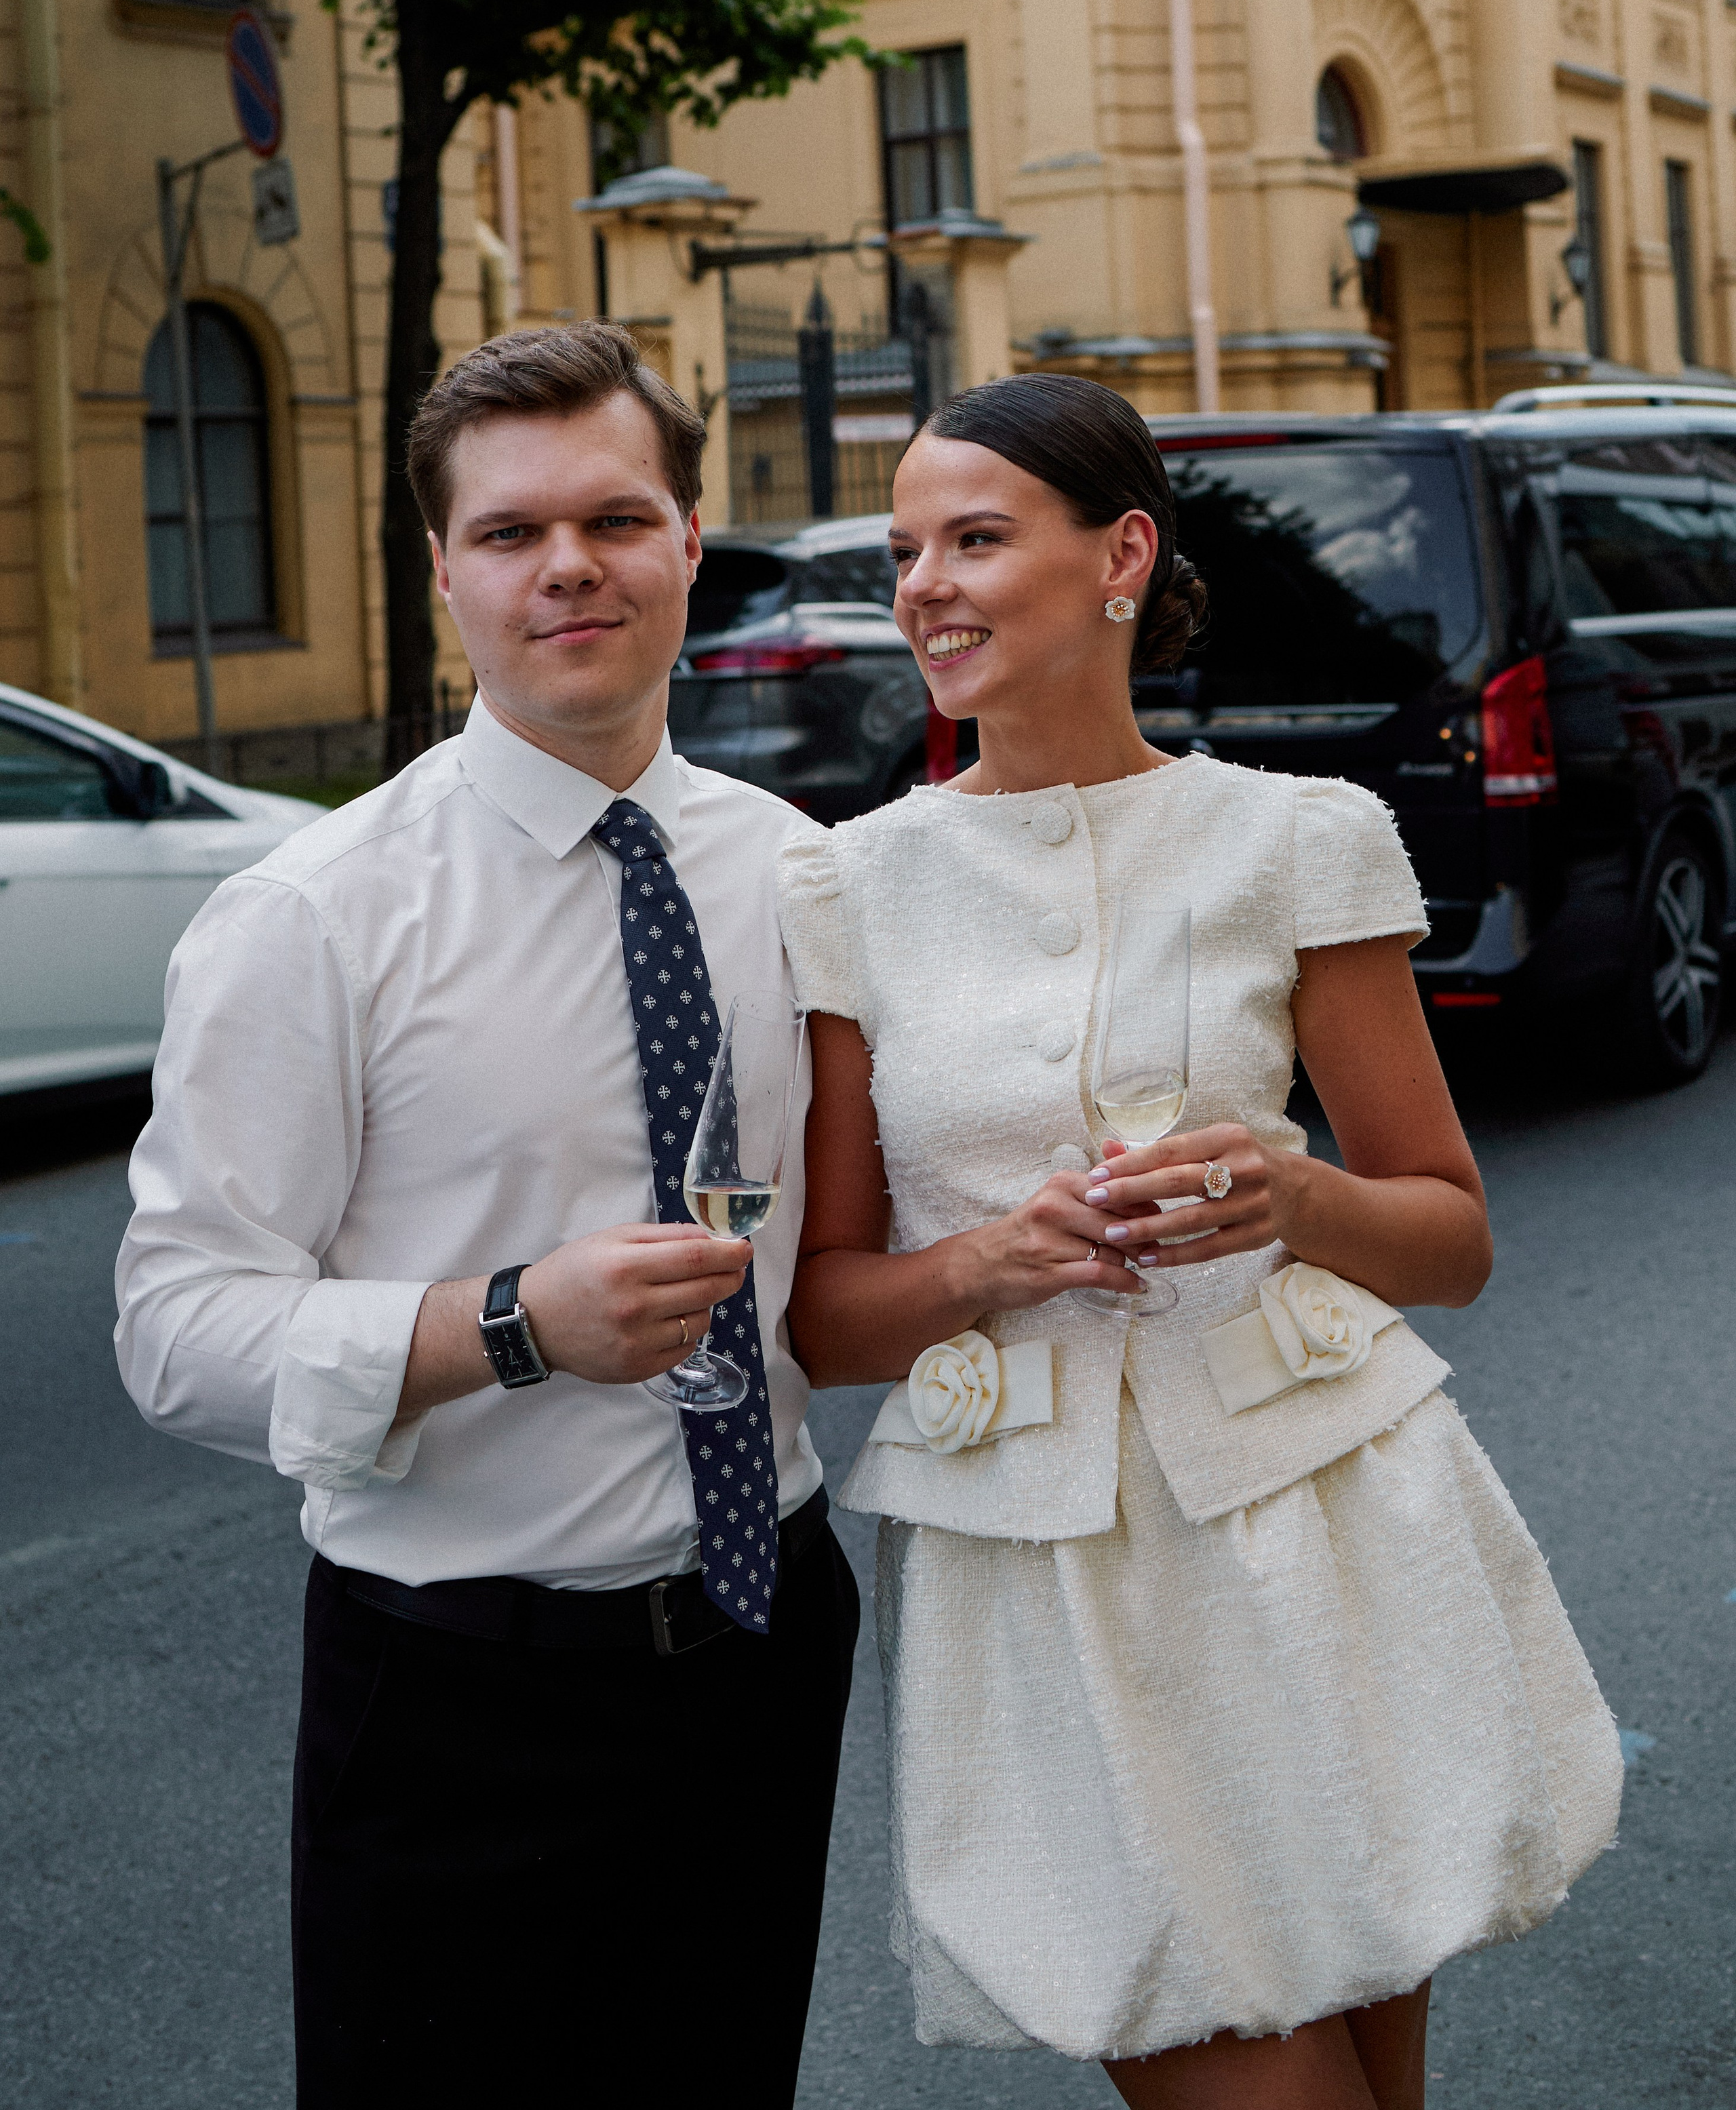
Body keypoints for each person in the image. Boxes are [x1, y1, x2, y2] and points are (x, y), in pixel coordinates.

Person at [776, 372, 1622, 2110]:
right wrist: (990, 1261)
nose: (922, 582)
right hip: (1050, 1581)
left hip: (1327, 1535)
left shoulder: (1295, 838)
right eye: (902, 548)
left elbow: (1447, 1233)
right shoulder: (843, 887)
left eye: (974, 537)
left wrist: (1293, 1197)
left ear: (1120, 556)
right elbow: (826, 1317)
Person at [115, 322, 859, 2107]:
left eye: (615, 516)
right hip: (456, 1699)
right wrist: (513, 1321)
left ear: (691, 537)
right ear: (440, 568)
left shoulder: (803, 866)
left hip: (763, 1652)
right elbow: (174, 1327)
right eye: (512, 532)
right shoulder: (312, 915)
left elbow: (852, 1250)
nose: (569, 567)